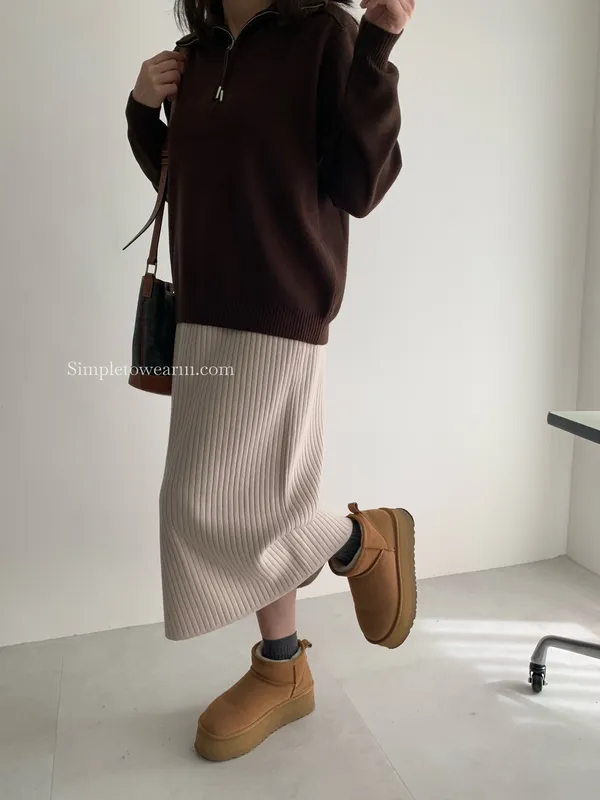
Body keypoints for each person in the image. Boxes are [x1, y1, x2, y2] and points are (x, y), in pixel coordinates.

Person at [126, 0, 417, 762]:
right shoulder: (200, 53)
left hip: (283, 308)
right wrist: (141, 110)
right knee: (255, 497)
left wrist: (378, 49)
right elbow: (187, 179)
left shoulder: (328, 35)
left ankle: (357, 541)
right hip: (202, 312)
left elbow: (360, 184)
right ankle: (284, 665)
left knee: (213, 500)